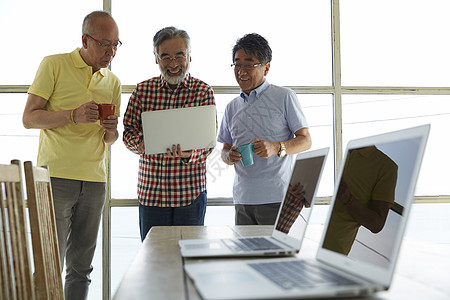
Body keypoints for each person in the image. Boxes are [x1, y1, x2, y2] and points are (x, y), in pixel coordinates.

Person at [22, 11, 121, 300]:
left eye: (116, 45)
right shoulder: (53, 64)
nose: (111, 52)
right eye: (105, 44)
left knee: (81, 269)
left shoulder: (112, 81)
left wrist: (112, 131)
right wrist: (72, 115)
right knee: (49, 266)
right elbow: (29, 118)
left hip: (95, 181)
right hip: (55, 177)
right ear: (85, 40)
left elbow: (110, 139)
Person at [123, 26, 215, 241]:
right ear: (156, 58)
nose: (173, 64)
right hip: (152, 193)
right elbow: (128, 132)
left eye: (179, 55)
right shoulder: (142, 91)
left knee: (188, 262)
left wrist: (188, 154)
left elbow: (209, 145)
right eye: (165, 57)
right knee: (154, 264)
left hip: (190, 194)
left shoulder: (203, 91)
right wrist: (141, 143)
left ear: (189, 56)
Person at [218, 33, 312, 225]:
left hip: (277, 198)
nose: (241, 71)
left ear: (266, 67)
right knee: (246, 255)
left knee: (276, 255)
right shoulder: (231, 107)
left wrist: (277, 147)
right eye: (237, 64)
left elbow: (306, 140)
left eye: (249, 64)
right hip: (243, 200)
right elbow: (225, 150)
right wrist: (230, 156)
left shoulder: (284, 96)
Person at [322, 146, 398, 255]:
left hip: (331, 253)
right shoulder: (331, 143)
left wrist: (348, 199)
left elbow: (376, 224)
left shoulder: (386, 167)